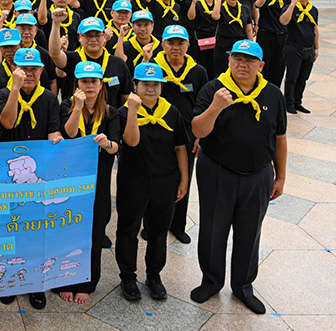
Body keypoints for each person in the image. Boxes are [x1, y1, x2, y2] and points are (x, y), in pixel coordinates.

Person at [190, 40, 287, 315]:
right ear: (229, 60)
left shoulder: (272, 94)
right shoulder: (213, 89)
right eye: (237, 59)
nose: (242, 65)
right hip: (217, 172)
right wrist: (216, 107)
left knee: (250, 232)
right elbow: (198, 129)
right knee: (212, 230)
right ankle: (210, 281)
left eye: (249, 61)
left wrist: (280, 176)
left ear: (261, 66)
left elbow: (280, 137)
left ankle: (243, 286)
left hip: (258, 176)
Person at [0, 47, 63, 309]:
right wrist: (14, 89)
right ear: (14, 69)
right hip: (10, 177)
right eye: (24, 69)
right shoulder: (3, 94)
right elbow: (7, 123)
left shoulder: (48, 98)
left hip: (37, 175)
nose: (29, 74)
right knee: (10, 228)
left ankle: (35, 282)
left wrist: (58, 141)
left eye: (34, 69)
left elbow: (53, 132)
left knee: (36, 230)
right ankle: (11, 279)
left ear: (42, 71)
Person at [115, 63, 188, 303]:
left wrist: (184, 179)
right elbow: (131, 141)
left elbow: (180, 147)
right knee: (128, 229)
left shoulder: (171, 112)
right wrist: (134, 111)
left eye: (155, 84)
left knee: (157, 232)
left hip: (164, 180)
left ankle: (154, 275)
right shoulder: (124, 112)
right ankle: (127, 276)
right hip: (133, 181)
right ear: (135, 85)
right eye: (145, 84)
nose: (150, 89)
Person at [55, 61, 120, 305]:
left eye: (93, 81)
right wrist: (78, 106)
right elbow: (69, 133)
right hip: (70, 182)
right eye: (84, 82)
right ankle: (65, 279)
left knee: (93, 233)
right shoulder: (67, 105)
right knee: (67, 230)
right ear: (77, 85)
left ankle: (86, 282)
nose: (89, 86)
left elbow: (116, 147)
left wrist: (106, 144)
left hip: (98, 181)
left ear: (101, 84)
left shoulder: (111, 112)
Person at [153, 25, 208, 243]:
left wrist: (200, 136)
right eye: (171, 43)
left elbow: (203, 105)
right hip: (158, 133)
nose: (176, 48)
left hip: (187, 135)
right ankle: (153, 224)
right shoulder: (153, 68)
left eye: (180, 43)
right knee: (156, 179)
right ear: (163, 44)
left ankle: (178, 224)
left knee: (183, 178)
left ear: (188, 45)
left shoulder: (198, 72)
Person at [280, 0, 319, 115]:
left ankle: (298, 101)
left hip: (308, 49)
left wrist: (316, 48)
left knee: (303, 77)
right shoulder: (289, 8)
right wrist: (292, 5)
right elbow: (283, 21)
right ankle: (288, 103)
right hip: (293, 48)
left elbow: (315, 29)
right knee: (292, 77)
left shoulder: (313, 10)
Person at [253, 0, 290, 86]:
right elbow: (258, 4)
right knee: (264, 64)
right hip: (266, 35)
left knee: (279, 66)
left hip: (282, 35)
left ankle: (275, 91)